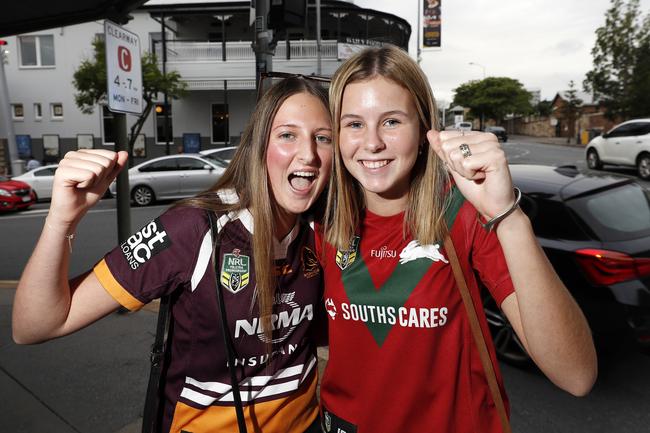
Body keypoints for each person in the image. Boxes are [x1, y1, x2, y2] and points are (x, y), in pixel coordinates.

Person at [12, 76, 333, 433]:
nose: (309, 154)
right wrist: (61, 220)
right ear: (258, 145)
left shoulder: (324, 231)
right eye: (288, 135)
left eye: (323, 137)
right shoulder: (192, 229)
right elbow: (35, 325)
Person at [316, 45, 597, 433]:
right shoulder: (323, 224)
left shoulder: (463, 214)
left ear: (424, 128)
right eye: (354, 124)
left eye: (392, 122)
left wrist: (509, 218)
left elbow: (576, 375)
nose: (373, 142)